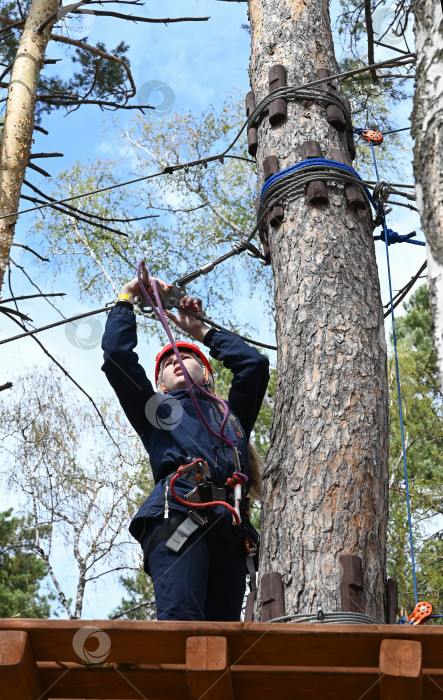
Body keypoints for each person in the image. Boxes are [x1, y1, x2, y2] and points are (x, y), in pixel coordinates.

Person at [101, 273, 270, 621]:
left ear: (207, 373)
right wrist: (127, 296)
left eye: (188, 356)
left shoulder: (230, 416)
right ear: (159, 384)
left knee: (223, 640)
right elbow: (117, 355)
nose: (176, 359)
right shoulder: (156, 411)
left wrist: (199, 331)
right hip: (179, 518)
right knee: (182, 625)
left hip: (230, 532)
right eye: (165, 363)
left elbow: (254, 365)